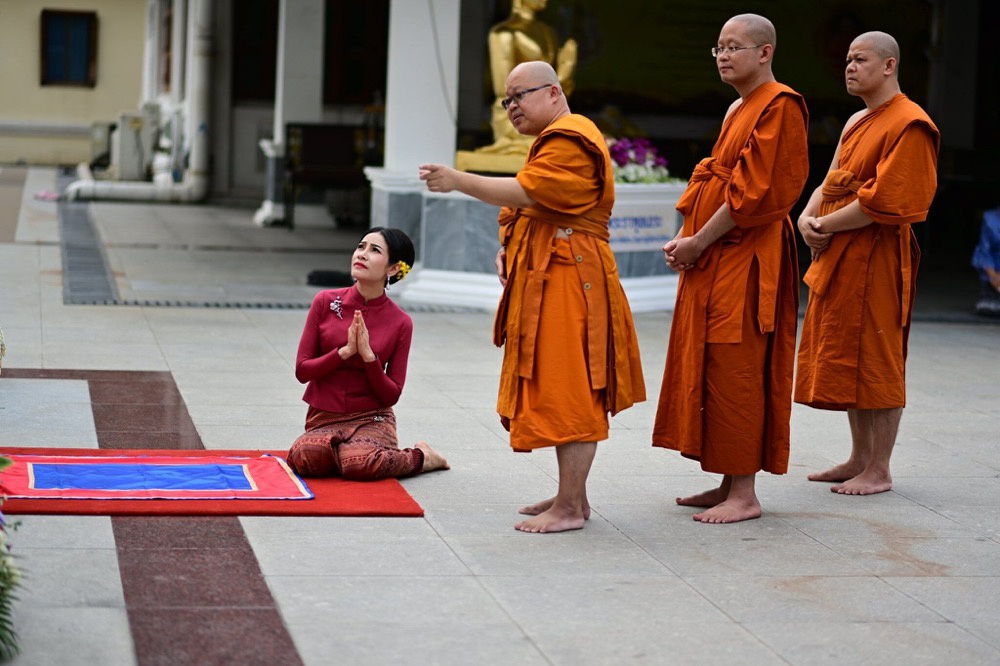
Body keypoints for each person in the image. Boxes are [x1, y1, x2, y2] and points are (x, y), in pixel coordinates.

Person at [419, 61, 645, 533]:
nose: (512, 107)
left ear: (555, 93)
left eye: (520, 95)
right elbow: (526, 207)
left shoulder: (573, 136)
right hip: (553, 273)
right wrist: (509, 249)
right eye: (507, 100)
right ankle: (573, 498)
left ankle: (567, 509)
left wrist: (460, 180)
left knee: (574, 391)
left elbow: (527, 190)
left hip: (572, 278)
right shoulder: (551, 143)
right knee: (560, 384)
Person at [651, 14, 809, 524]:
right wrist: (687, 235)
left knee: (739, 364)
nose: (723, 55)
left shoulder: (780, 105)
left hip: (749, 255)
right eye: (718, 46)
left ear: (765, 52)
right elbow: (718, 180)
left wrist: (698, 239)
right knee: (713, 361)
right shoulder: (736, 108)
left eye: (734, 46)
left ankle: (745, 493)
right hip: (716, 254)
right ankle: (726, 480)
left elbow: (754, 192)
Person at [795, 31, 940, 495]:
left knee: (878, 356)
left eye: (860, 59)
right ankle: (858, 457)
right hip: (841, 250)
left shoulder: (910, 123)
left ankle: (880, 468)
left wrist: (828, 224)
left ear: (889, 65)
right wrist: (807, 216)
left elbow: (885, 202)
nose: (850, 67)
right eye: (847, 59)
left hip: (878, 254)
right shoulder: (857, 120)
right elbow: (832, 178)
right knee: (848, 355)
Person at [286, 227, 449, 480]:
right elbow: (302, 370)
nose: (361, 254)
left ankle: (422, 457)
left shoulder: (400, 322)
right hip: (323, 414)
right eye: (361, 247)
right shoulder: (325, 302)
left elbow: (391, 393)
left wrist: (368, 358)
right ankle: (343, 453)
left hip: (371, 417)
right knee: (306, 458)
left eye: (374, 250)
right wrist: (344, 352)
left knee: (359, 463)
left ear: (393, 269)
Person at [479, 0, 577, 155]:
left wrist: (566, 69)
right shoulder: (504, 33)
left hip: (547, 110)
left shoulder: (547, 32)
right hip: (514, 116)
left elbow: (552, 85)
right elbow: (502, 90)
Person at [972, 206, 1000, 317]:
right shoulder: (990, 219)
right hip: (993, 270)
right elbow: (984, 249)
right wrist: (993, 275)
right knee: (987, 309)